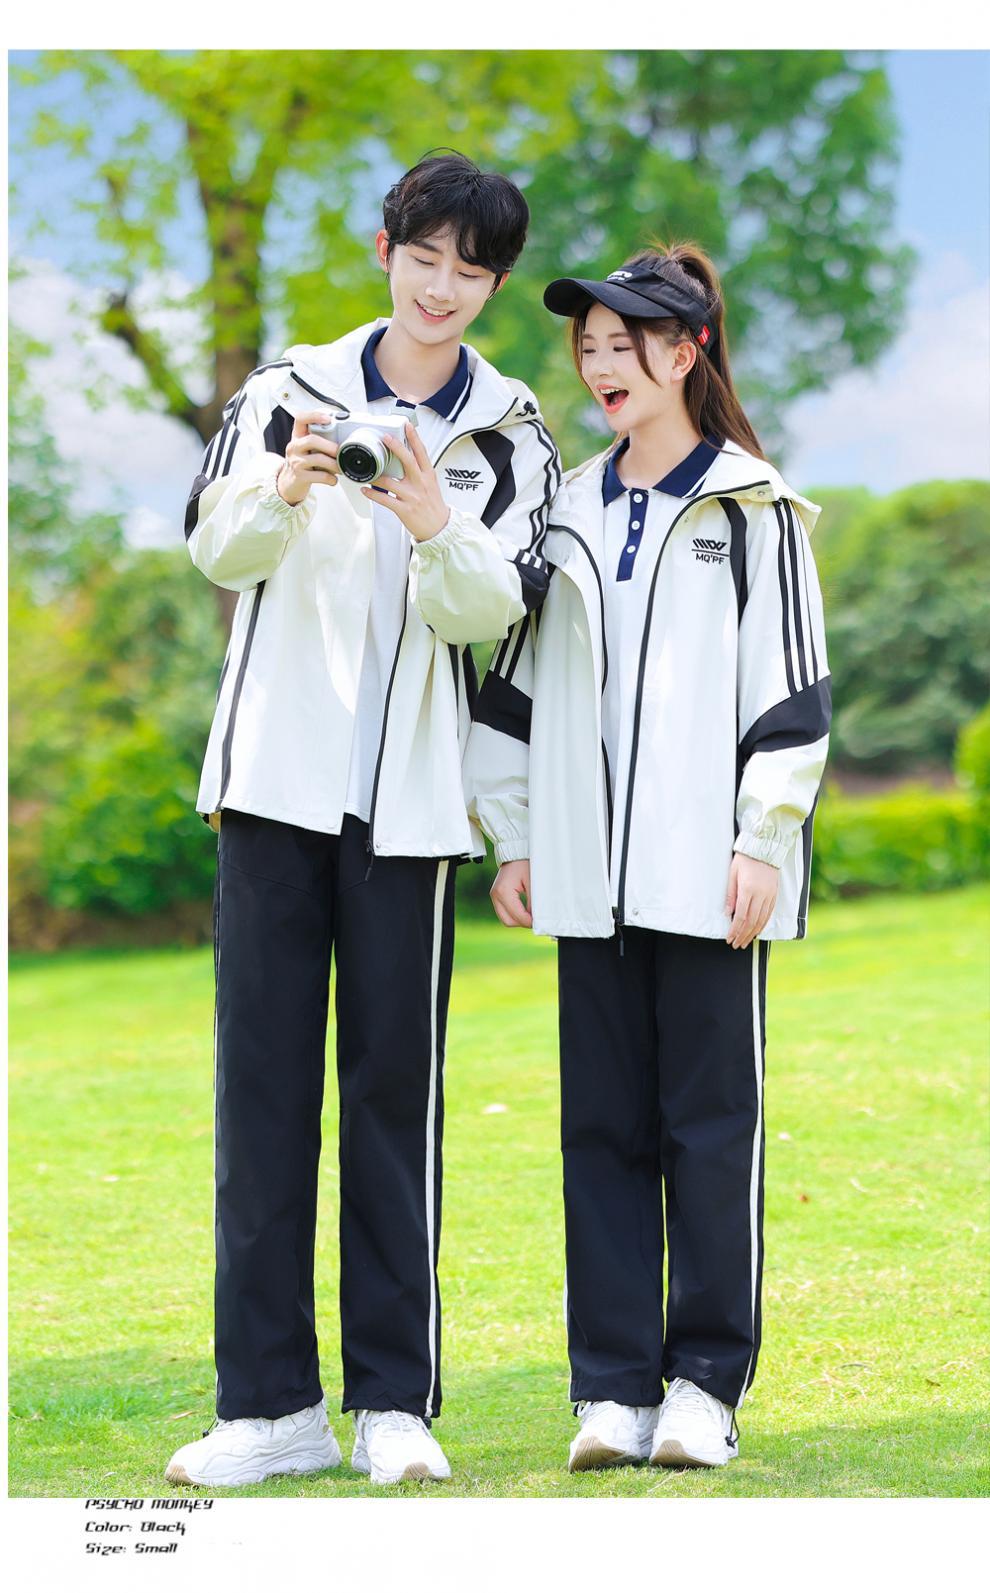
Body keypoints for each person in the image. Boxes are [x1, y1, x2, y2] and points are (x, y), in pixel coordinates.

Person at [166, 153, 559, 1489]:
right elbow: (213, 548)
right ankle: (267, 1408)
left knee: (393, 1102)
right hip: (272, 790)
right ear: (385, 249)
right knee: (261, 1104)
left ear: (494, 285)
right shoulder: (282, 388)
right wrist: (286, 487)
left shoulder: (512, 434)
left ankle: (394, 1402)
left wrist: (433, 517)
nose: (442, 288)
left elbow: (492, 613)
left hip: (411, 810)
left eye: (471, 271)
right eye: (424, 257)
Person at [464, 244, 830, 1473]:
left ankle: (705, 1389)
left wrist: (762, 838)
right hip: (585, 880)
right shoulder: (563, 511)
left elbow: (792, 693)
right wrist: (516, 834)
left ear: (686, 352)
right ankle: (614, 1392)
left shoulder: (754, 508)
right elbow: (512, 686)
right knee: (600, 1135)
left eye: (624, 345)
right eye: (589, 347)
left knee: (711, 1132)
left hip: (708, 875)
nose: (601, 365)